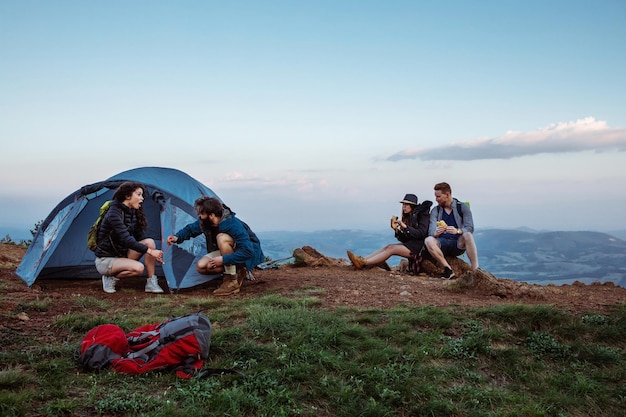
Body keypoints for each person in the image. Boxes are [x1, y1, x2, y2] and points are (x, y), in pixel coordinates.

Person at [167, 196, 265, 296]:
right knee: (202, 266)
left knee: (221, 237)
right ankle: (238, 271)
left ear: (211, 215)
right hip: (229, 254)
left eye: (201, 214)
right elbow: (191, 229)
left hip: (247, 255)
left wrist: (223, 260)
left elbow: (248, 251)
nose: (199, 216)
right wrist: (177, 238)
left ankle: (231, 280)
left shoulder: (233, 224)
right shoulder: (206, 222)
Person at [94, 182, 165, 294]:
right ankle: (109, 277)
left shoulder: (132, 212)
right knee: (138, 268)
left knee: (149, 242)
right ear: (127, 196)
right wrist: (151, 252)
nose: (142, 198)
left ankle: (151, 282)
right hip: (105, 260)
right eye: (139, 194)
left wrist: (154, 253)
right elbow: (126, 239)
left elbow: (140, 237)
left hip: (121, 255)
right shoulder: (113, 214)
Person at [347, 193, 432, 271]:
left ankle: (364, 263)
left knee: (392, 249)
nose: (404, 207)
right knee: (388, 246)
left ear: (412, 206)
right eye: (403, 204)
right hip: (412, 245)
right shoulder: (409, 217)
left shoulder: (422, 215)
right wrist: (396, 230)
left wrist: (405, 227)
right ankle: (362, 260)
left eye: (406, 205)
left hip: (420, 248)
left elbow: (421, 233)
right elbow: (406, 239)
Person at [424, 182, 479, 279]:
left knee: (468, 235)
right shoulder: (435, 210)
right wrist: (435, 233)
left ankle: (476, 270)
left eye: (438, 196)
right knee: (428, 240)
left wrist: (457, 231)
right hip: (442, 244)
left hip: (457, 244)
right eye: (436, 196)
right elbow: (431, 231)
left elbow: (470, 227)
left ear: (447, 195)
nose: (436, 199)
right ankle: (448, 270)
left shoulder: (462, 207)